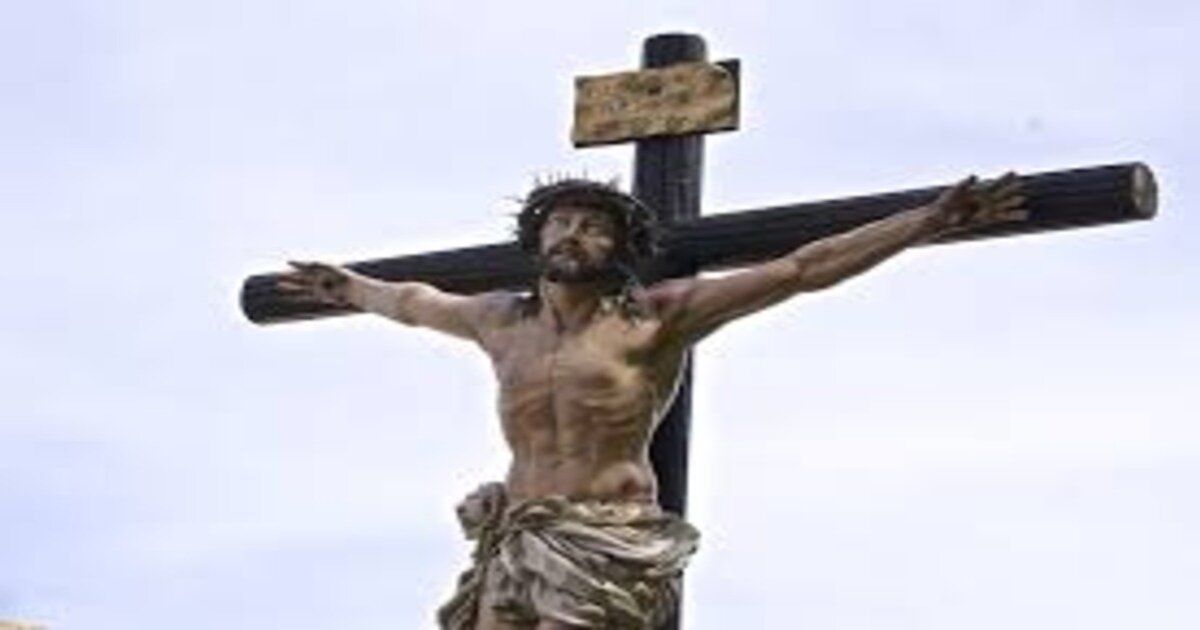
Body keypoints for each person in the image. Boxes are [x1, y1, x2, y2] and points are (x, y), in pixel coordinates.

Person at [279, 174, 1025, 629]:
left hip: (605, 537)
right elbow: (413, 301)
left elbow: (803, 268)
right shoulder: (500, 321)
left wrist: (926, 220)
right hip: (520, 534)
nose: (573, 235)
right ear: (538, 237)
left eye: (592, 227)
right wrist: (346, 287)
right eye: (561, 223)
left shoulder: (657, 318)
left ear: (619, 248)